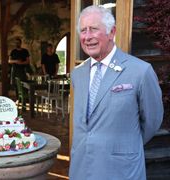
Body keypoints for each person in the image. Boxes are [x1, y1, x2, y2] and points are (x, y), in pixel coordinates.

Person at [69, 5, 163, 180]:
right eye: (83, 30)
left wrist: (123, 145)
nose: (87, 37)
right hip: (81, 169)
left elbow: (152, 121)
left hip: (121, 171)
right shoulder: (77, 74)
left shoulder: (140, 71)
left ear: (112, 32)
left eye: (94, 29)